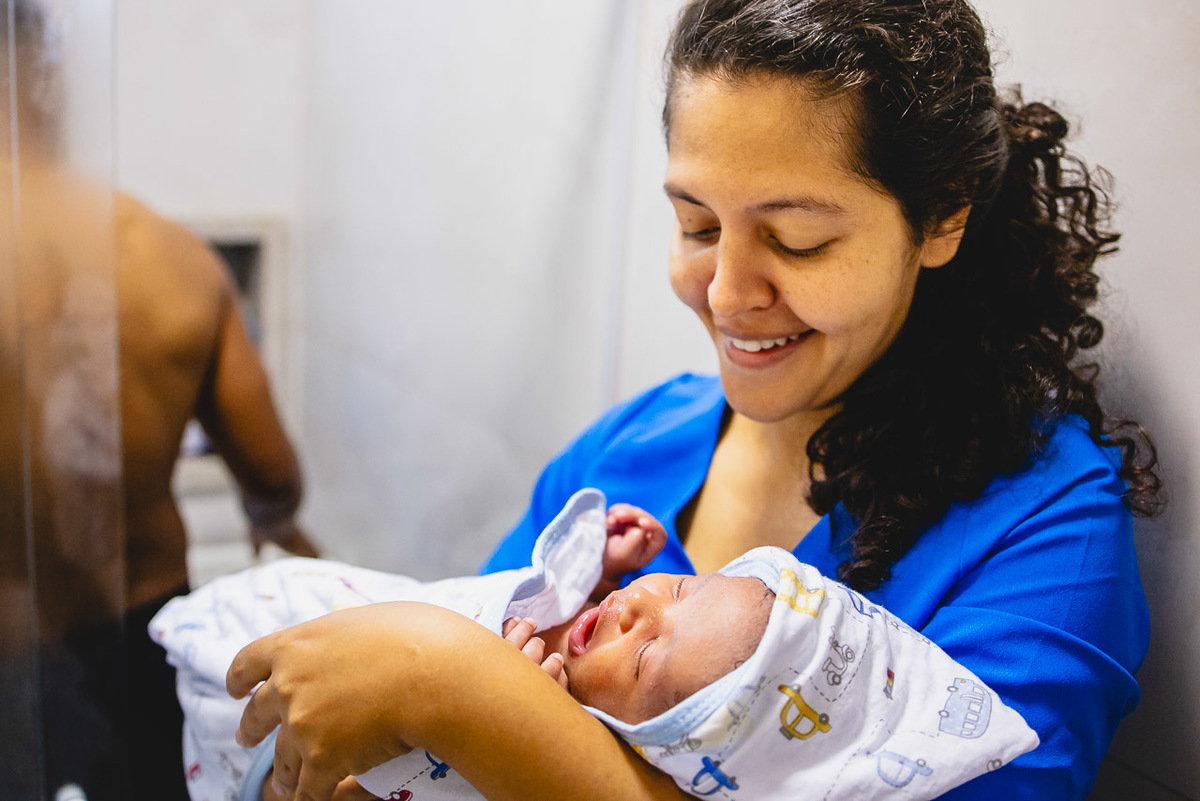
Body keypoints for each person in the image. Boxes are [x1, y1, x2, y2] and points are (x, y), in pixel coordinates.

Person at [226, 1, 1162, 799]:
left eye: (795, 240)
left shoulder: (1041, 530)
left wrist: (451, 688)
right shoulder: (626, 455)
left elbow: (462, 695)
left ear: (943, 215)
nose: (724, 292)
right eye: (698, 223)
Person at [158, 489, 1036, 801]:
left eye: (651, 658)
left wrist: (475, 692)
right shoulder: (643, 449)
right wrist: (585, 574)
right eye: (683, 587)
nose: (633, 611)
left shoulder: (1033, 539)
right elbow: (507, 601)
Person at [0, 3, 317, 798]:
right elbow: (272, 475)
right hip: (139, 637)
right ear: (52, 85)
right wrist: (276, 519)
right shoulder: (170, 257)